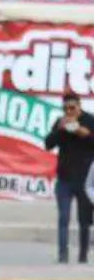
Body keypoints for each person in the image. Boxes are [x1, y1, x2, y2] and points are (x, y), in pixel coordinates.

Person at [45, 92, 94, 263]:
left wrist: (83, 133)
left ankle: (83, 255)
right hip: (65, 177)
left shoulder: (89, 120)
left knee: (84, 220)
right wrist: (60, 129)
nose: (69, 112)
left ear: (79, 107)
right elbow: (48, 144)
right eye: (65, 109)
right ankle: (62, 254)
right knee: (63, 218)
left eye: (72, 108)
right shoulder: (61, 122)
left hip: (85, 179)